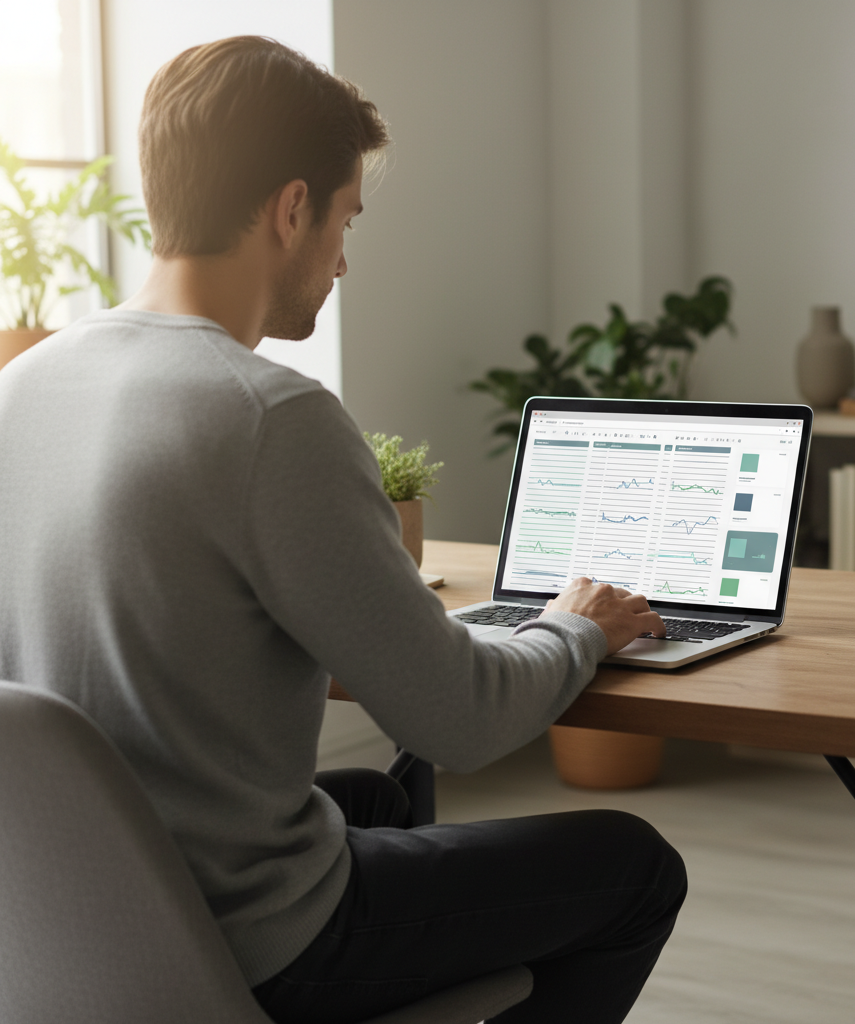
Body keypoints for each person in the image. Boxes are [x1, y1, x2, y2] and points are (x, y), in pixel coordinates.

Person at [0, 36, 685, 1024]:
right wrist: (574, 625)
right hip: (247, 943)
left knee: (376, 801)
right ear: (291, 209)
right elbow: (458, 720)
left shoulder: (21, 387)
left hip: (67, 928)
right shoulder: (268, 416)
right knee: (634, 868)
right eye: (345, 218)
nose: (343, 260)